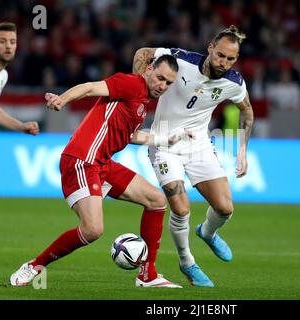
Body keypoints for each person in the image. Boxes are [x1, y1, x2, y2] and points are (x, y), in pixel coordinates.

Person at [10, 54, 191, 288]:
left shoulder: (143, 100)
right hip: (82, 160)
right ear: (148, 70)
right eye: (160, 78)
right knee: (93, 230)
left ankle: (147, 275)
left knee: (156, 200)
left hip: (102, 164)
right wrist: (62, 99)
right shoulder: (131, 84)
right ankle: (34, 266)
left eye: (168, 83)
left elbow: (131, 136)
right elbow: (89, 87)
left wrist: (168, 139)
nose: (162, 86)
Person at [133, 25, 254, 287]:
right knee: (181, 207)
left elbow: (247, 110)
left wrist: (242, 149)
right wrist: (138, 94)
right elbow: (143, 52)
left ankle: (207, 233)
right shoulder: (181, 60)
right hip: (164, 142)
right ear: (210, 48)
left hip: (198, 144)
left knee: (224, 208)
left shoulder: (233, 82)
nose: (224, 62)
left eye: (230, 59)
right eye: (220, 55)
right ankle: (187, 262)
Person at [0, 22, 39, 135]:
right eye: (2, 41)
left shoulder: (3, 75)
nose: (8, 46)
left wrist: (21, 126)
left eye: (12, 42)